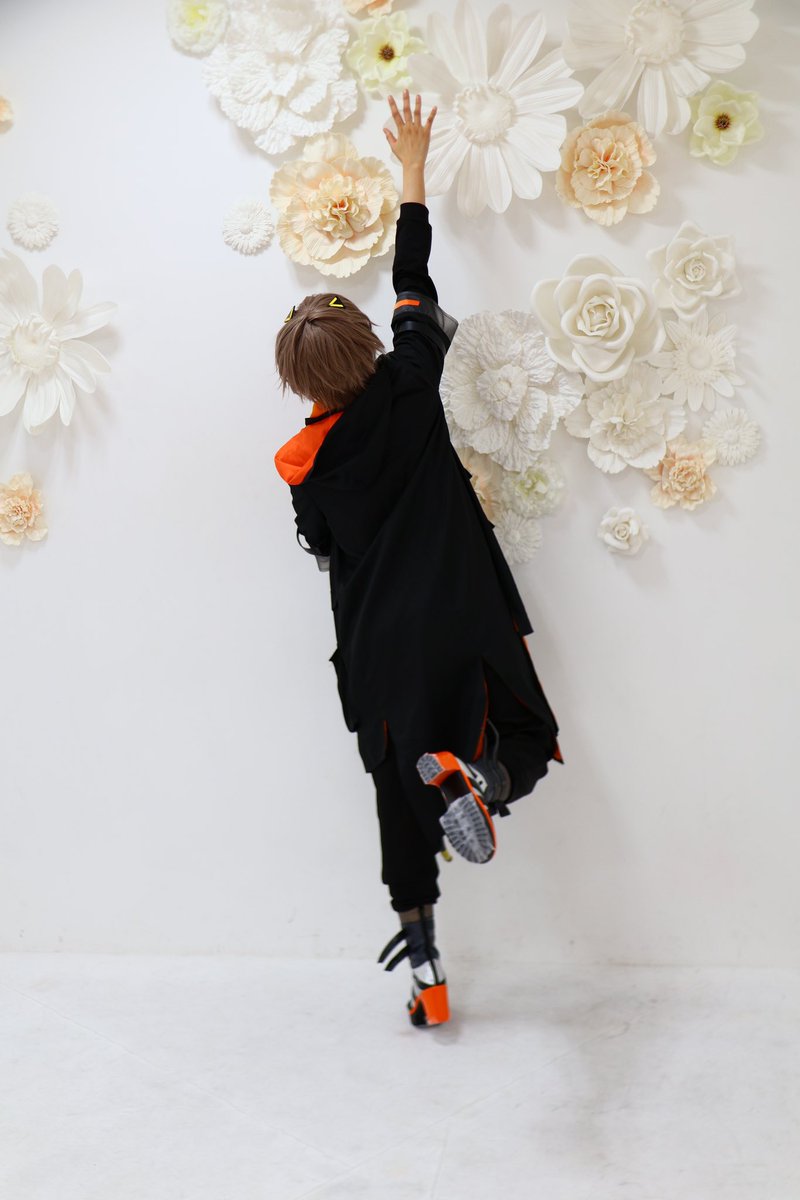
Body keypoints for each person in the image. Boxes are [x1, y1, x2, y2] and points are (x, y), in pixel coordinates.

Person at [273, 90, 564, 1029]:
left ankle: (427, 973)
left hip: (378, 656)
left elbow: (323, 547)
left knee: (397, 803)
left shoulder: (303, 469)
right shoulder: (409, 378)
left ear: (297, 382)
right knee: (525, 732)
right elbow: (412, 275)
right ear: (367, 347)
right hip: (464, 616)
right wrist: (409, 168)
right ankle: (483, 777)